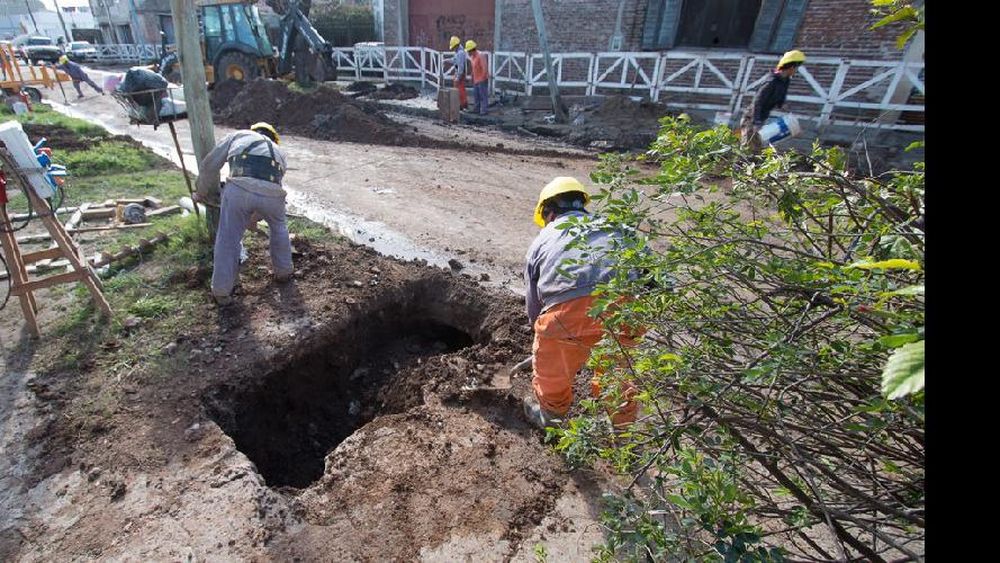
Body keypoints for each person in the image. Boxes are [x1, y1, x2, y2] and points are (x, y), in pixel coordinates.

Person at [522, 177, 644, 429]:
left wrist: (543, 340)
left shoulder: (544, 238)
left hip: (567, 311)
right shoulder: (617, 227)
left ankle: (551, 418)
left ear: (549, 212)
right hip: (625, 306)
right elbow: (653, 276)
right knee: (618, 369)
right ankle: (622, 429)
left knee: (553, 370)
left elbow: (534, 306)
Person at [194, 122, 293, 305]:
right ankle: (284, 272)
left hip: (238, 189)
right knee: (279, 228)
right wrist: (254, 218)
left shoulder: (238, 136)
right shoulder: (279, 153)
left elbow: (209, 165)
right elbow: (265, 190)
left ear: (253, 131)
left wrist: (201, 191)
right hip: (273, 196)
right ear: (274, 138)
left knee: (228, 237)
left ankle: (222, 292)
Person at [740, 49, 806, 150]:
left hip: (762, 118)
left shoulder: (785, 81)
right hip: (751, 119)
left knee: (757, 149)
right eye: (796, 67)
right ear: (791, 67)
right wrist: (756, 122)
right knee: (747, 148)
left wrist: (791, 118)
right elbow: (757, 101)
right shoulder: (771, 81)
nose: (796, 70)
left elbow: (780, 100)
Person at [466, 39, 489, 115]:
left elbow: (484, 68)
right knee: (476, 95)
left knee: (483, 95)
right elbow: (474, 68)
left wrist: (483, 79)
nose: (468, 53)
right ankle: (476, 109)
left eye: (469, 51)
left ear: (472, 50)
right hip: (476, 79)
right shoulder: (472, 57)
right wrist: (472, 76)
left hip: (482, 79)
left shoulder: (480, 55)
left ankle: (484, 110)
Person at [449, 35, 468, 110]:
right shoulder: (458, 52)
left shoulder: (460, 53)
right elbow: (454, 60)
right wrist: (447, 60)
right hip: (458, 73)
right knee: (459, 89)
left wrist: (458, 77)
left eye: (453, 47)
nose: (453, 49)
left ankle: (462, 104)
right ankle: (462, 104)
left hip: (460, 73)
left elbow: (461, 66)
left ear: (456, 46)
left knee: (460, 90)